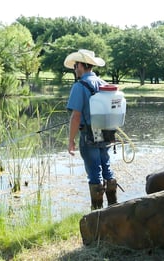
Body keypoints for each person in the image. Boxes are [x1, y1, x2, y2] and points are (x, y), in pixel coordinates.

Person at [64, 49, 118, 210]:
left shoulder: (80, 86)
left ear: (80, 65)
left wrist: (71, 140)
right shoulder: (103, 84)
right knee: (106, 168)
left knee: (94, 172)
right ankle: (114, 209)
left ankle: (97, 215)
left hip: (89, 135)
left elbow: (76, 116)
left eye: (75, 66)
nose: (75, 69)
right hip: (107, 133)